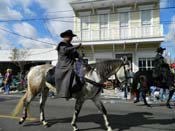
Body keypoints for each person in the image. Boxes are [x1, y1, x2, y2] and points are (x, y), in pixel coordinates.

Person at [55, 30, 83, 99]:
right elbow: (65, 50)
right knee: (72, 70)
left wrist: (80, 56)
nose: (71, 38)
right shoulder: (62, 44)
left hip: (71, 62)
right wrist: (76, 47)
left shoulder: (70, 45)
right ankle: (66, 92)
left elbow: (75, 53)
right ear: (65, 37)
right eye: (70, 37)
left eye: (71, 37)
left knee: (82, 68)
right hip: (64, 64)